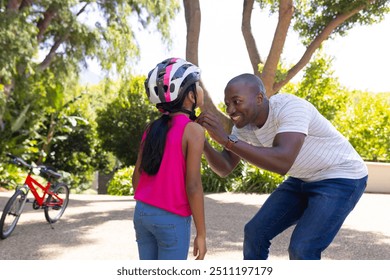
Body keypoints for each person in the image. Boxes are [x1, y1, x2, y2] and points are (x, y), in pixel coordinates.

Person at [197, 73, 368, 260]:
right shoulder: (242, 129)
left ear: (259, 98)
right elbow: (225, 167)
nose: (230, 110)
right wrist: (203, 143)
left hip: (341, 177)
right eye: (227, 103)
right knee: (255, 233)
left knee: (302, 248)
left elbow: (283, 161)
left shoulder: (291, 108)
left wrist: (228, 141)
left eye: (236, 102)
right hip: (303, 178)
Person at [131, 58, 206, 260]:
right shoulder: (194, 131)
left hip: (142, 214)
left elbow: (136, 176)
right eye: (199, 86)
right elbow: (193, 185)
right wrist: (201, 233)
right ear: (190, 96)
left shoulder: (152, 128)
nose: (201, 90)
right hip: (172, 218)